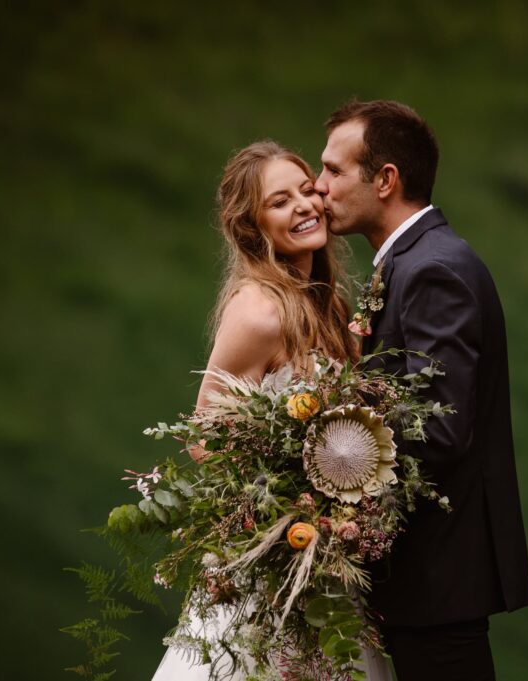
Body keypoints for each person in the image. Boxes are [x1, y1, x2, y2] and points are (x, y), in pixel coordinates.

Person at [151, 140, 391, 680]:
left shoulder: (325, 302)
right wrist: (288, 502)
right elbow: (204, 438)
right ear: (251, 227)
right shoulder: (259, 311)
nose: (304, 206)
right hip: (276, 559)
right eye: (280, 202)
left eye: (307, 190)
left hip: (325, 560)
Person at [315, 99, 528, 681]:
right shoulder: (411, 262)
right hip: (426, 579)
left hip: (441, 577)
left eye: (334, 171)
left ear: (386, 179)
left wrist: (318, 454)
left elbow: (438, 426)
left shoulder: (433, 268)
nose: (319, 188)